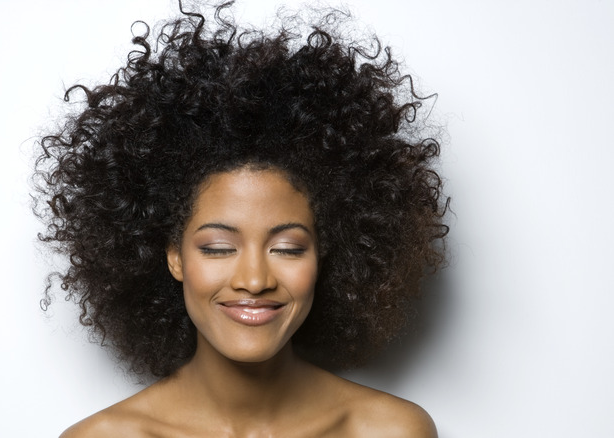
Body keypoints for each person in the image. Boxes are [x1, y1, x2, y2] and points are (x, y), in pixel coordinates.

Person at [34, 2, 448, 436]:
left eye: (288, 249)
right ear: (174, 256)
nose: (254, 280)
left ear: (325, 255)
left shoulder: (389, 430)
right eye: (218, 248)